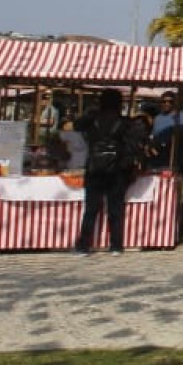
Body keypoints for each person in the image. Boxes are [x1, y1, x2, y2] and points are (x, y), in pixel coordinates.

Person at [74, 88, 143, 256]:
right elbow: (134, 144)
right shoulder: (124, 123)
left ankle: (83, 245)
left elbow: (76, 125)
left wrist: (91, 111)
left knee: (91, 208)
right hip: (117, 169)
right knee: (115, 209)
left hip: (94, 167)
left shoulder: (92, 120)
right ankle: (116, 246)